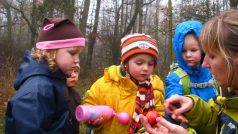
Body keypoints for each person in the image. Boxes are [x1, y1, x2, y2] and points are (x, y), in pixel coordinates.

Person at [140, 9, 238, 134]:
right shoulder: (230, 92)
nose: (204, 63)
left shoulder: (221, 82)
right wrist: (193, 106)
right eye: (183, 51)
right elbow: (218, 120)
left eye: (212, 56)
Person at [5, 18, 85, 133]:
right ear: (51, 51)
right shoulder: (37, 89)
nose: (77, 60)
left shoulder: (56, 81)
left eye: (79, 54)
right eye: (72, 53)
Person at [82, 33, 165, 134]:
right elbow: (88, 106)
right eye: (139, 63)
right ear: (125, 63)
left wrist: (147, 130)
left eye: (150, 64)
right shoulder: (104, 83)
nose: (145, 68)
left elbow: (159, 116)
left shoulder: (154, 88)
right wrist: (93, 121)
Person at [165, 20, 218, 123]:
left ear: (203, 49)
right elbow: (172, 90)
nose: (188, 55)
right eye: (183, 51)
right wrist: (174, 102)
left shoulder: (213, 72)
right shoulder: (176, 77)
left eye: (193, 50)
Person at [67, 64, 81, 134]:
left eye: (75, 71)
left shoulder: (76, 95)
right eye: (70, 71)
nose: (73, 75)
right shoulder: (53, 93)